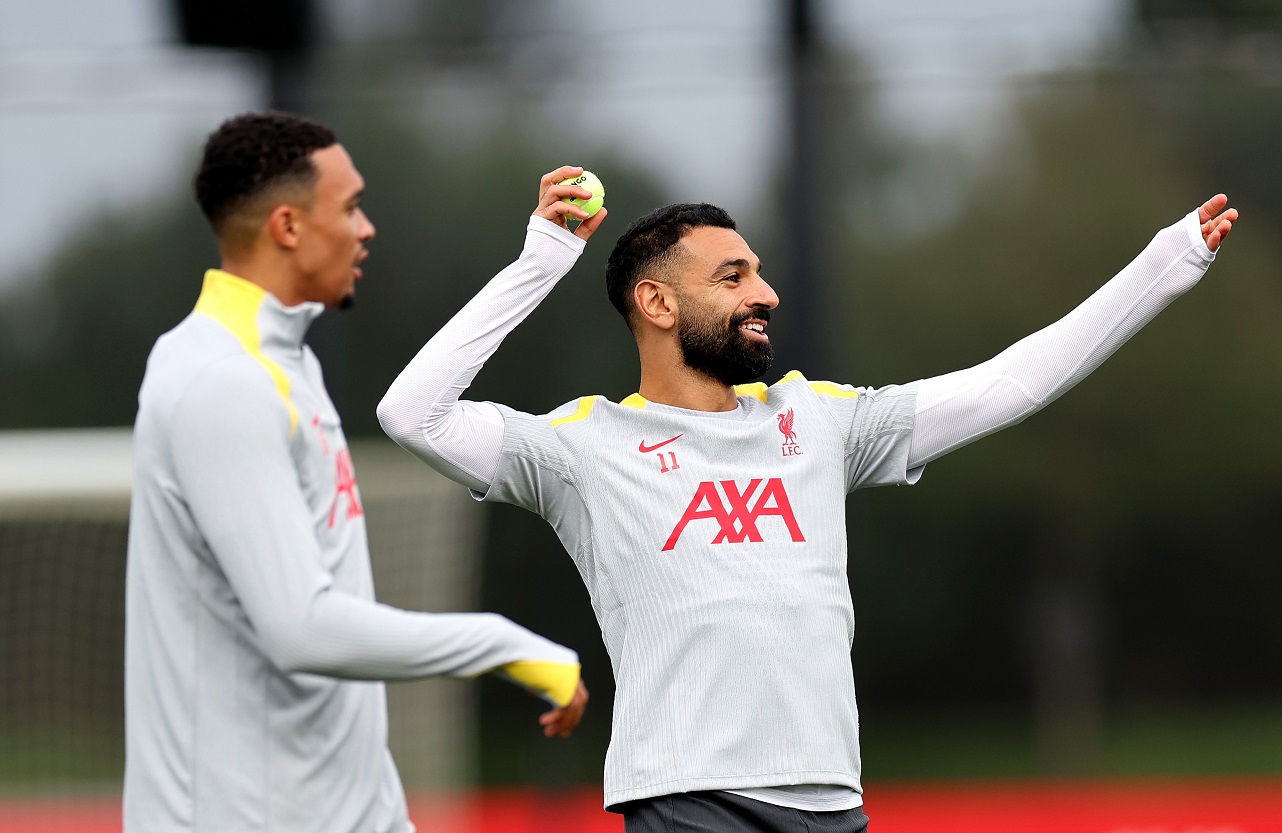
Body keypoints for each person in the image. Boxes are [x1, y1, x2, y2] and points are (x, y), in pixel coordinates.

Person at [377, 165, 1237, 833]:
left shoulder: (819, 418)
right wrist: (541, 262)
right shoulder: (581, 446)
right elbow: (410, 413)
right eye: (734, 276)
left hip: (833, 799)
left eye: (758, 273)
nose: (766, 293)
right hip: (688, 800)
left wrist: (1166, 263)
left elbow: (1006, 384)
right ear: (656, 301)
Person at [123, 114, 588, 833]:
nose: (366, 228)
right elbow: (302, 629)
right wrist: (505, 641)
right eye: (349, 207)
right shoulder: (219, 379)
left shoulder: (286, 363)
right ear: (286, 225)